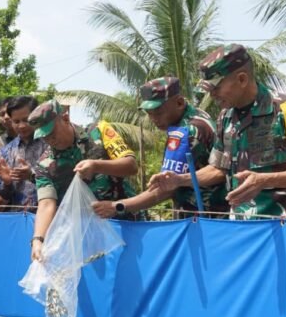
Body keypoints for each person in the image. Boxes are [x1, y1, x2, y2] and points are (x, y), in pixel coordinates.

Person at [150, 44, 286, 219]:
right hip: (240, 227)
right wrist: (181, 179)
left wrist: (265, 180)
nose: (212, 95)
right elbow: (219, 168)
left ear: (242, 79)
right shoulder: (226, 117)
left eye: (216, 87)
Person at [91, 77, 228, 219]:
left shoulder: (185, 132)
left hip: (202, 218)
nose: (154, 119)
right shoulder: (198, 115)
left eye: (158, 112)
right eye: (149, 113)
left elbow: (165, 188)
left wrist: (118, 206)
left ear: (179, 103)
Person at [28, 100, 139, 261]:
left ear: (65, 118)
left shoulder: (99, 131)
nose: (50, 139)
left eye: (52, 132)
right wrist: (38, 240)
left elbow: (131, 165)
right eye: (44, 136)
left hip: (126, 224)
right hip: (87, 239)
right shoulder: (44, 165)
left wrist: (97, 166)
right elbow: (46, 204)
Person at [0, 95, 47, 211]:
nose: (21, 126)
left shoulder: (50, 143)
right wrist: (7, 183)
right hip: (16, 217)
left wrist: (32, 175)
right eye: (16, 121)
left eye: (26, 120)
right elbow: (3, 195)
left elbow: (61, 180)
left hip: (48, 214)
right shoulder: (6, 151)